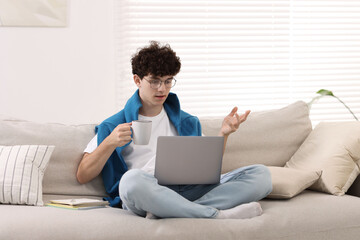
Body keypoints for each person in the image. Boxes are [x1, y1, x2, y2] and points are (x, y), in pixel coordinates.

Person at [77, 41, 272, 219]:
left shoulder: (187, 121)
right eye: (154, 81)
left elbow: (207, 168)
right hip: (145, 192)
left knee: (261, 175)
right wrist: (110, 142)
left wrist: (224, 134)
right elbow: (83, 175)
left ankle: (169, 209)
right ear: (137, 80)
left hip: (188, 189)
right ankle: (214, 215)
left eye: (168, 81)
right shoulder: (113, 125)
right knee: (131, 180)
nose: (162, 88)